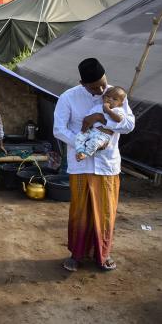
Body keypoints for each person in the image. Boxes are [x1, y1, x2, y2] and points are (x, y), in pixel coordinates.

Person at [53, 58, 135, 272]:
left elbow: (128, 125)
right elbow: (59, 129)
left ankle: (103, 254)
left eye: (102, 83)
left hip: (107, 165)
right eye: (94, 86)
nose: (100, 89)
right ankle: (76, 254)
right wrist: (85, 145)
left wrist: (101, 116)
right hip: (80, 165)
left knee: (106, 212)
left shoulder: (117, 94)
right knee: (80, 212)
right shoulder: (68, 98)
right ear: (82, 83)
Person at [75, 86, 127, 161]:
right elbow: (87, 118)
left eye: (115, 99)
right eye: (108, 96)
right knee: (79, 136)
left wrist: (108, 111)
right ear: (103, 98)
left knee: (94, 143)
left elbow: (119, 119)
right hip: (92, 130)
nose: (110, 99)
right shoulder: (97, 107)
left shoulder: (118, 110)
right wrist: (86, 127)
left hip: (104, 134)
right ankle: (80, 150)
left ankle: (85, 154)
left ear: (120, 104)